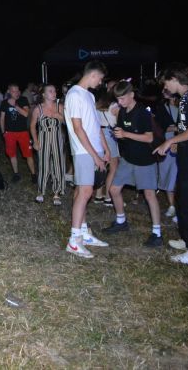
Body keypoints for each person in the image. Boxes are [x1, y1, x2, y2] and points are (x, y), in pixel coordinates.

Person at [101, 81, 163, 247]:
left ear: (131, 95)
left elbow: (149, 137)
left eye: (122, 98)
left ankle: (157, 233)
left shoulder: (142, 112)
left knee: (149, 195)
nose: (119, 102)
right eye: (118, 99)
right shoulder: (122, 112)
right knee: (114, 190)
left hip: (145, 160)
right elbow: (122, 132)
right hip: (128, 159)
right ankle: (121, 221)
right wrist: (117, 134)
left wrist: (125, 134)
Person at [154, 64, 188, 264]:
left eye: (166, 83)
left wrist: (170, 141)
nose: (165, 87)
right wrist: (178, 142)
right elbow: (187, 128)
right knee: (184, 200)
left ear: (174, 78)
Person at [64, 61, 111, 258]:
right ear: (93, 75)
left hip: (94, 149)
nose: (100, 83)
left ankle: (83, 233)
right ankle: (74, 241)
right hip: (83, 151)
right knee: (84, 192)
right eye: (100, 79)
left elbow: (95, 126)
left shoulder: (89, 95)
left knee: (83, 192)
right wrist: (94, 155)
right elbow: (78, 128)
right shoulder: (74, 95)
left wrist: (105, 149)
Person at [29, 84, 66, 205]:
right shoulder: (38, 109)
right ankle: (41, 191)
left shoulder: (60, 106)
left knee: (58, 165)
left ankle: (57, 192)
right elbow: (32, 126)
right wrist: (35, 141)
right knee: (44, 165)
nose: (54, 93)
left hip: (57, 138)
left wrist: (60, 117)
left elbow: (68, 123)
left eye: (55, 91)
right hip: (43, 138)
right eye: (50, 91)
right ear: (44, 95)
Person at [0, 84, 36, 183]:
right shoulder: (4, 103)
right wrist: (3, 132)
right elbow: (2, 118)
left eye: (17, 90)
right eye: (13, 91)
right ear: (9, 92)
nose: (16, 93)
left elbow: (26, 114)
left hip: (23, 132)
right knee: (12, 154)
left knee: (28, 154)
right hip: (10, 133)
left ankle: (33, 174)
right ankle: (16, 174)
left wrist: (15, 105)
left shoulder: (23, 100)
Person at [154, 91, 179, 218]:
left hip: (182, 145)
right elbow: (158, 126)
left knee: (177, 175)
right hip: (166, 144)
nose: (164, 91)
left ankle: (179, 206)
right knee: (168, 174)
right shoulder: (162, 108)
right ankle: (172, 205)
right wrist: (175, 128)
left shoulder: (184, 108)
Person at [94, 91, 120, 206]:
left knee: (102, 165)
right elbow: (119, 123)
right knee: (113, 168)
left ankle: (98, 195)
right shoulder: (115, 106)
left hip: (99, 135)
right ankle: (108, 197)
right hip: (109, 135)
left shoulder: (97, 105)